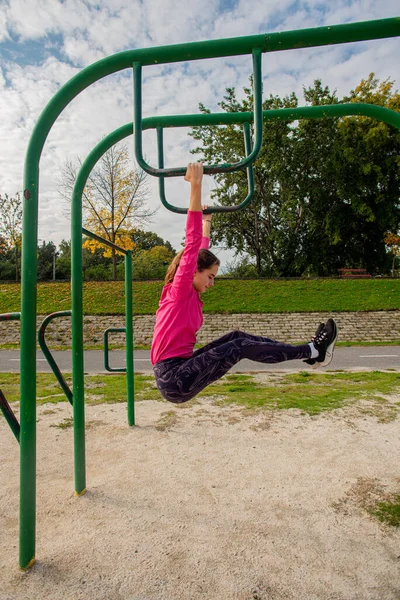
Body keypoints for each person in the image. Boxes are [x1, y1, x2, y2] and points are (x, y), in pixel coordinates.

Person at [151, 162, 338, 404]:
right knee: (238, 346)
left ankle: (312, 353)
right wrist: (196, 186)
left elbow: (200, 249)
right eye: (210, 277)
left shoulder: (187, 295)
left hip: (181, 370)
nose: (212, 284)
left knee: (236, 337)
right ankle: (314, 351)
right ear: (193, 272)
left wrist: (206, 221)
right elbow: (193, 245)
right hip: (174, 378)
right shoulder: (178, 292)